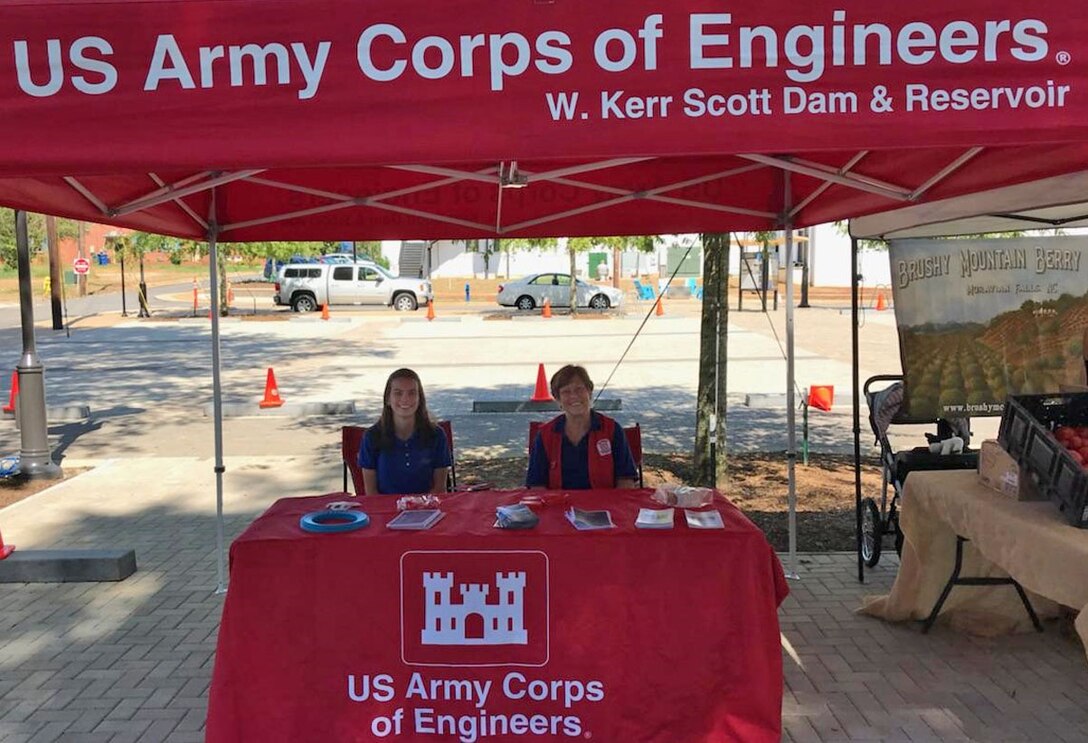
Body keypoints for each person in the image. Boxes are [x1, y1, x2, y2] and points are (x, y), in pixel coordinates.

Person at [526, 364, 638, 490]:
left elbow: (626, 481)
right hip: (558, 507)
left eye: (579, 389)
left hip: (604, 507)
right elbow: (537, 485)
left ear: (589, 392)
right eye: (566, 392)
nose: (574, 396)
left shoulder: (612, 430)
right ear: (558, 399)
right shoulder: (545, 435)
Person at [358, 368, 450, 495]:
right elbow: (371, 493)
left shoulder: (436, 435)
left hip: (427, 509)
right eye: (398, 393)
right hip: (385, 512)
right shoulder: (371, 437)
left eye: (412, 393)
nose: (405, 399)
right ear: (388, 399)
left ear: (420, 398)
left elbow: (439, 489)